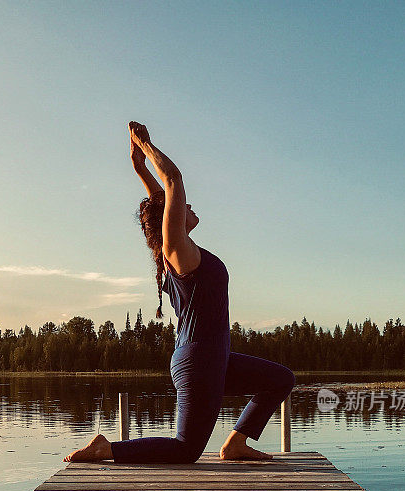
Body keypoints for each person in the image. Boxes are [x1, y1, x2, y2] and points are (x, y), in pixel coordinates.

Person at [64, 121, 295, 464]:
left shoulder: (178, 253)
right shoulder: (178, 251)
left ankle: (235, 444)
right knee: (186, 449)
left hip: (213, 359)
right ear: (170, 221)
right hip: (200, 361)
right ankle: (106, 448)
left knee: (279, 379)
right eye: (182, 207)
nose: (188, 206)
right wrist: (146, 145)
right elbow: (172, 183)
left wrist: (140, 169)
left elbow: (161, 198)